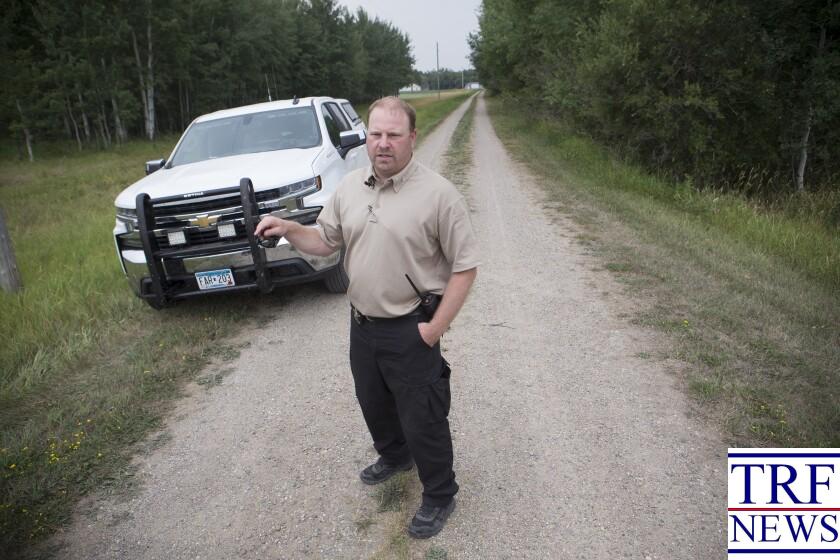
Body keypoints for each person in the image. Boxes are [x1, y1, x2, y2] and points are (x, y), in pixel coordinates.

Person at [254, 96, 479, 538]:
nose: (383, 143)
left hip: (412, 330)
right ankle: (396, 456)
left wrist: (434, 331)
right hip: (363, 326)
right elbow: (325, 242)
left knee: (423, 416)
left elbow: (465, 268)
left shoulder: (438, 195)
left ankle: (439, 494)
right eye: (375, 134)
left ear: (412, 138)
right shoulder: (352, 186)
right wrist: (289, 229)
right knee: (373, 402)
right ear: (366, 138)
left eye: (394, 135)